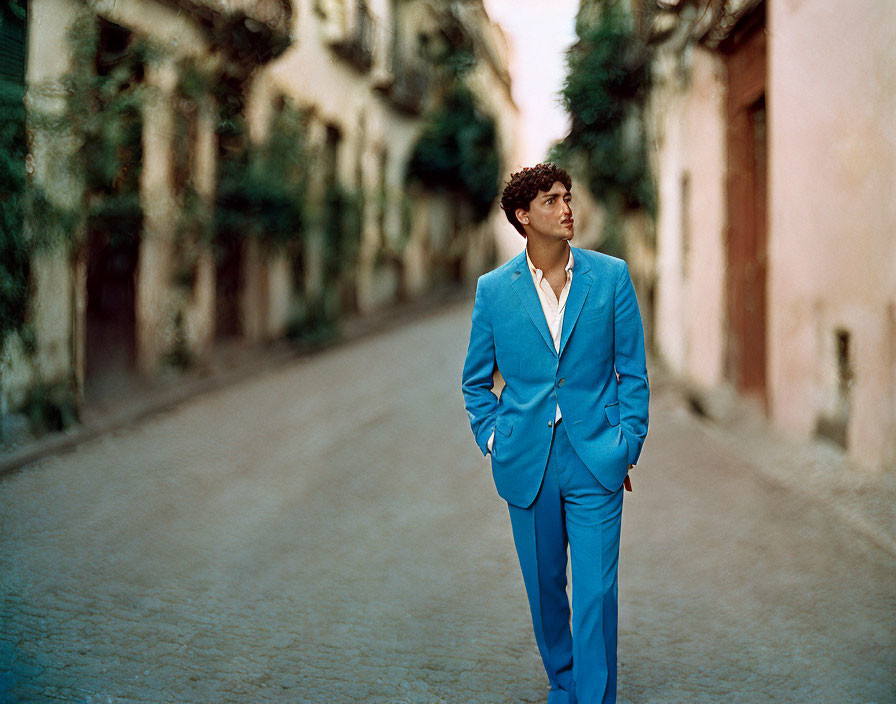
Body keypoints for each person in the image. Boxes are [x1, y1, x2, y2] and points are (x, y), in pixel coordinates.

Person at [461, 163, 649, 704]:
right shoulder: (494, 291)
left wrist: (627, 441)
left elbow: (632, 372)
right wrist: (495, 440)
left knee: (595, 592)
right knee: (546, 592)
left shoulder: (610, 277)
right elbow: (476, 382)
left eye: (567, 197)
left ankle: (593, 696)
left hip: (596, 456)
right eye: (551, 200)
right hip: (528, 460)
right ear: (524, 216)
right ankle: (562, 682)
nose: (567, 208)